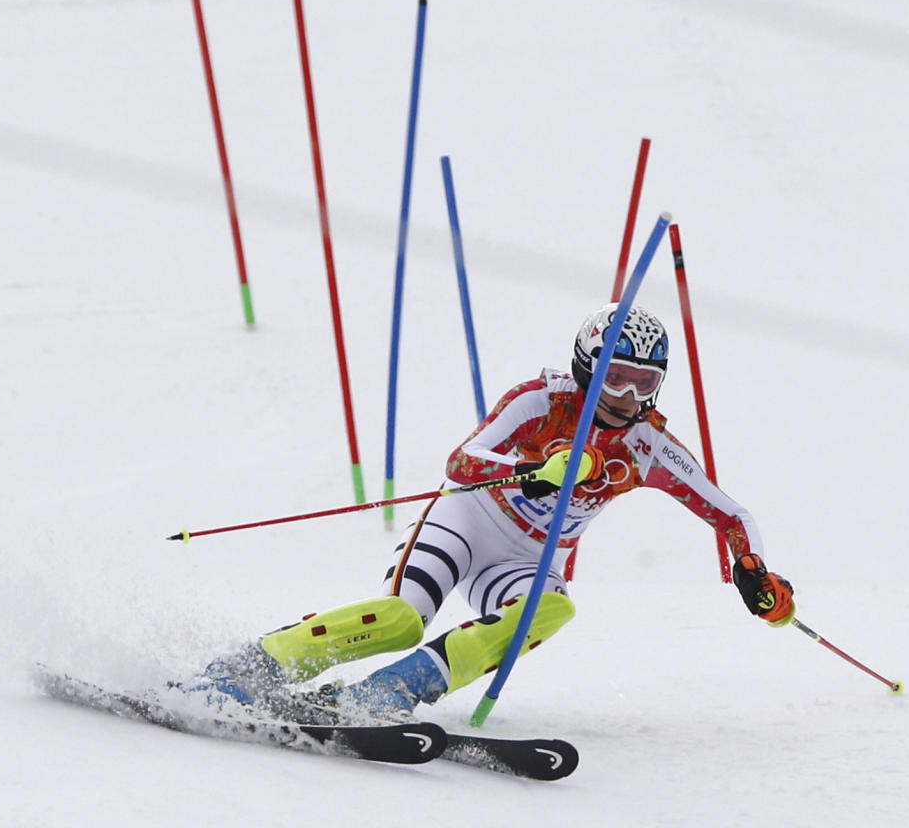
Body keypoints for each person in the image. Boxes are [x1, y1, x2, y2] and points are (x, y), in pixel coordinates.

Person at [189, 304, 794, 720]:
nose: (629, 399)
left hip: (529, 557)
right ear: (587, 368)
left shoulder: (647, 447)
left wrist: (755, 573)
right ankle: (253, 666)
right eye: (615, 380)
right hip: (469, 521)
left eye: (645, 383)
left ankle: (392, 691)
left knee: (550, 607)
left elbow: (730, 515)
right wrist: (533, 469)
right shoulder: (542, 401)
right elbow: (461, 461)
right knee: (401, 618)